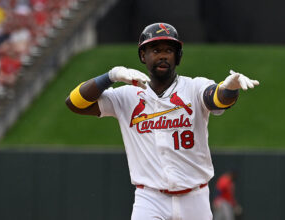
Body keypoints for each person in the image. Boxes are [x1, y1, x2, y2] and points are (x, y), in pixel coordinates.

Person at [65, 22, 259, 220]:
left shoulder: (194, 87)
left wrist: (230, 88)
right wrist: (110, 76)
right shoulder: (126, 97)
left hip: (195, 197)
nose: (163, 55)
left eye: (169, 50)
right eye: (155, 50)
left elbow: (217, 98)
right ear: (143, 56)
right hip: (149, 199)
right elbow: (74, 103)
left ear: (178, 56)